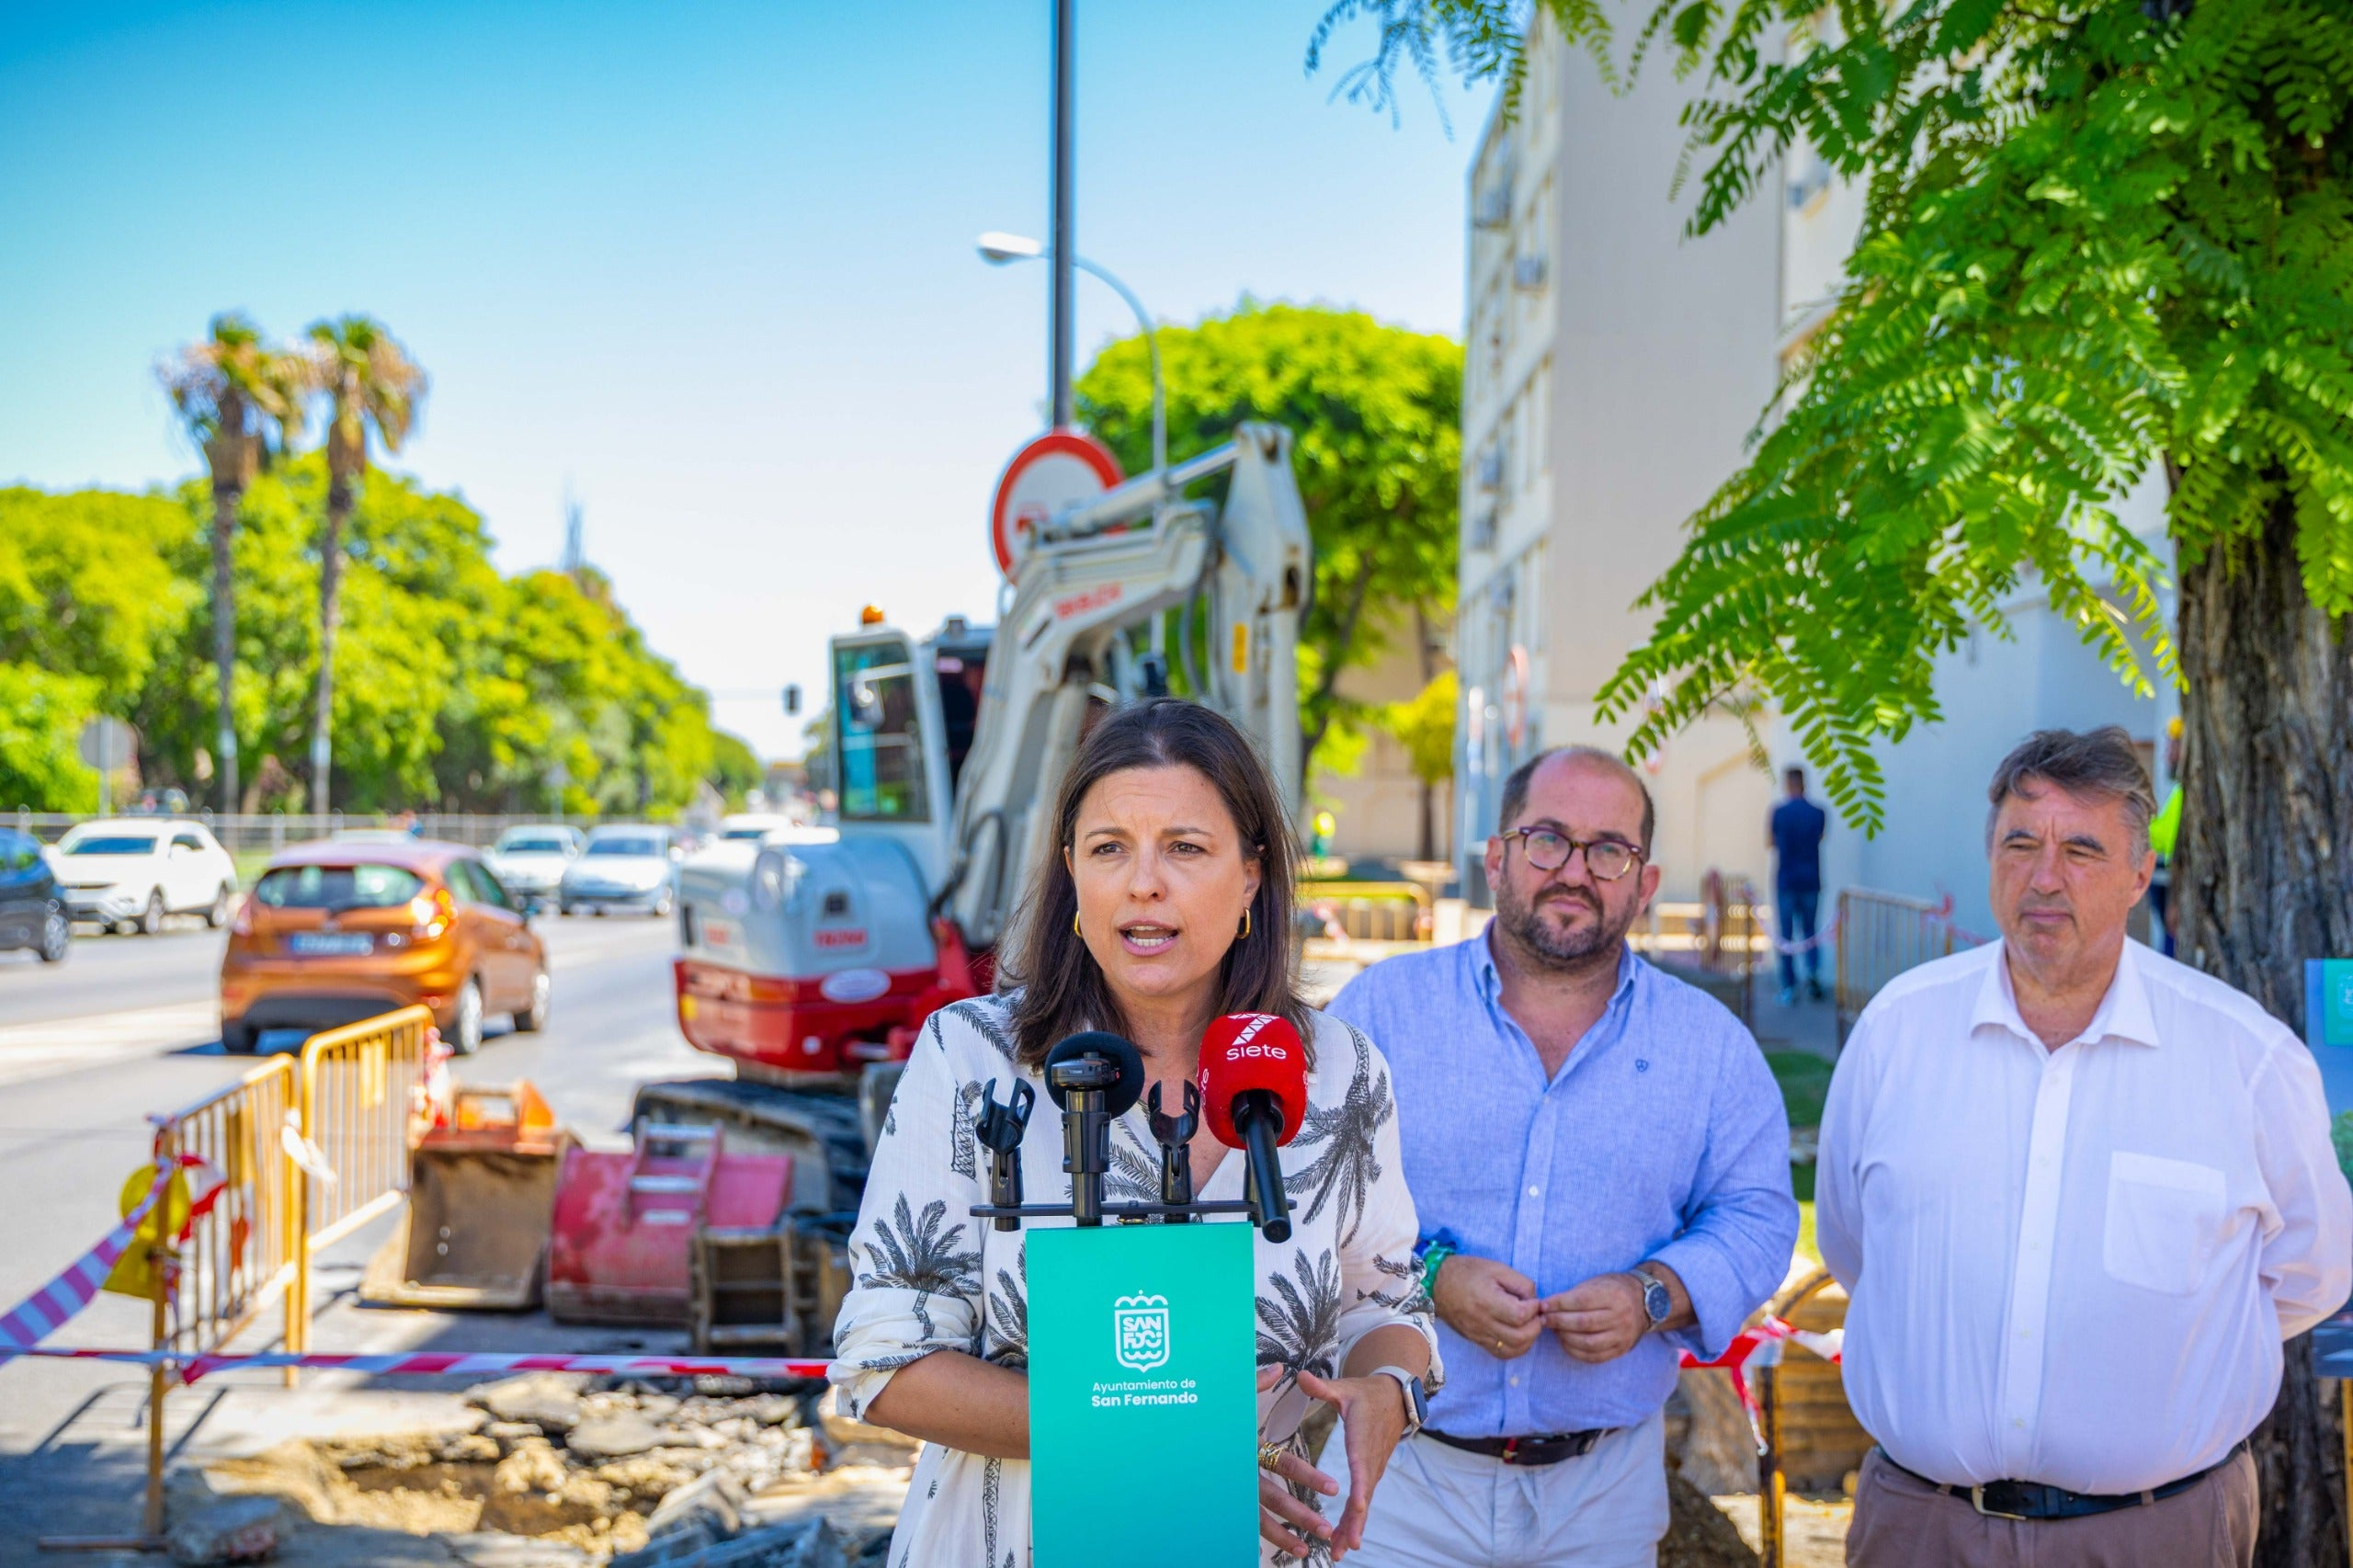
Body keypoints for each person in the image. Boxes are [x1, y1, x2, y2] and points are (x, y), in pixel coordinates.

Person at [831, 699, 1439, 1566]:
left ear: (1252, 876)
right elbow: (884, 1359)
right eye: (1109, 848)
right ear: (1072, 874)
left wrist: (1388, 1384)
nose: (1143, 883)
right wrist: (1167, 1443)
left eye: (1185, 848)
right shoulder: (971, 1060)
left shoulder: (1342, 1071)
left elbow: (1385, 1298)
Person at [1818, 726, 2351, 1568]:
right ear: (1990, 856)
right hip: (1923, 1530)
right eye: (2020, 843)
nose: (2044, 876)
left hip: (2158, 1534)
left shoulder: (2244, 1060)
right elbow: (1857, 1247)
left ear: (2140, 874)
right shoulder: (1896, 1032)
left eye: (2081, 849)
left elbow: (2312, 1273)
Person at [1324, 746, 1799, 1567]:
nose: (1575, 871)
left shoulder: (1710, 1046)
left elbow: (1757, 1215)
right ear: (1496, 858)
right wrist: (1432, 1278)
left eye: (1609, 849)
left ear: (1645, 884)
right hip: (1400, 1481)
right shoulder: (1382, 1011)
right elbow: (1307, 1198)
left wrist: (1654, 1294)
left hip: (1603, 1495)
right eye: (1547, 839)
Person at [1768, 766, 1828, 1006]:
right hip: (1811, 879)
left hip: (1786, 880)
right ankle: (1813, 976)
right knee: (1810, 931)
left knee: (1786, 935)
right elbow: (1820, 838)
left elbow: (1770, 841)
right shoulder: (1818, 813)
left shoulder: (1779, 813)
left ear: (1788, 784)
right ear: (1804, 783)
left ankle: (1789, 986)